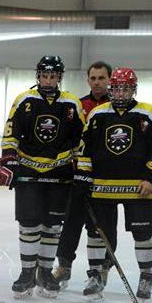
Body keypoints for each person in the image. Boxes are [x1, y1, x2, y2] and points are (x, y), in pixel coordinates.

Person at [0, 55, 84, 299]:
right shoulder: (24, 99)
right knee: (29, 224)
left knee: (52, 226)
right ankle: (27, 273)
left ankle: (45, 272)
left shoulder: (71, 103)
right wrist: (8, 161)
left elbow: (81, 140)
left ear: (59, 77)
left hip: (60, 173)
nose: (49, 79)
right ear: (38, 76)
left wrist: (82, 169)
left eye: (53, 75)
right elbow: (10, 133)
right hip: (29, 172)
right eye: (45, 75)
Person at [76, 67, 152, 300]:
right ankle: (95, 275)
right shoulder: (97, 114)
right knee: (96, 232)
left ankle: (146, 277)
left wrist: (150, 178)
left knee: (143, 232)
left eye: (126, 88)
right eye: (117, 88)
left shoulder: (147, 113)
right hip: (102, 185)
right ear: (112, 89)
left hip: (138, 186)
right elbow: (86, 150)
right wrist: (83, 178)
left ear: (133, 89)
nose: (121, 93)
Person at [53, 61, 114, 289]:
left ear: (110, 80)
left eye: (102, 78)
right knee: (70, 223)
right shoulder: (78, 105)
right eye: (93, 78)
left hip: (105, 179)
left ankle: (100, 269)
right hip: (77, 177)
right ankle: (64, 267)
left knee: (102, 225)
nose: (97, 82)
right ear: (88, 80)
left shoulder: (117, 107)